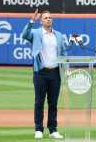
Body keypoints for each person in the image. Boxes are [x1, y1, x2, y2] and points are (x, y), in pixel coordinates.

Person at [22, 9, 66, 139]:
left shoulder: (58, 35)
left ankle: (53, 130)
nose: (48, 19)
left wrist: (66, 67)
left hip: (55, 73)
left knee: (53, 103)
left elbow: (63, 52)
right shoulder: (36, 33)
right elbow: (24, 34)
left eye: (50, 17)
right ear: (41, 21)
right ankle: (38, 129)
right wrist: (31, 21)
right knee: (39, 102)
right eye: (46, 18)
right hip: (41, 72)